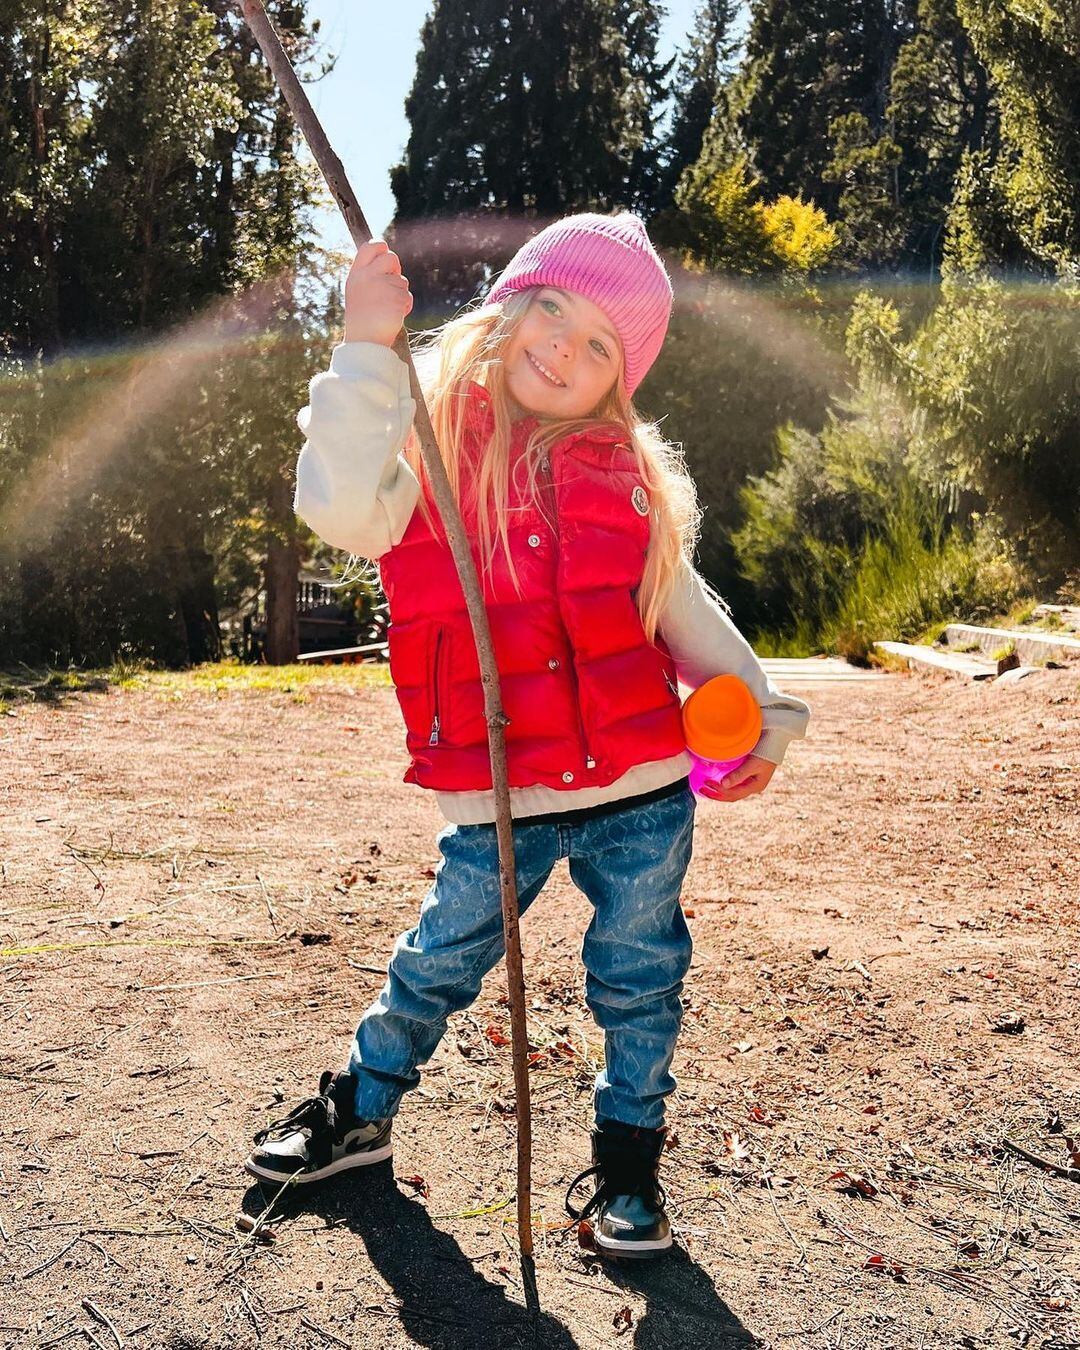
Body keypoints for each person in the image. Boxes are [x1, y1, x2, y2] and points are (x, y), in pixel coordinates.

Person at [244, 213, 811, 1259]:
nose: (565, 345)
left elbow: (683, 614)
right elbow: (337, 511)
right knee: (436, 964)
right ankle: (362, 1110)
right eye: (553, 306)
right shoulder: (423, 445)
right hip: (501, 789)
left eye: (602, 344)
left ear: (620, 381)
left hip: (643, 795)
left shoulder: (630, 481)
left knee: (642, 978)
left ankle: (631, 1166)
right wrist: (364, 347)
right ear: (510, 301)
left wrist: (760, 720)